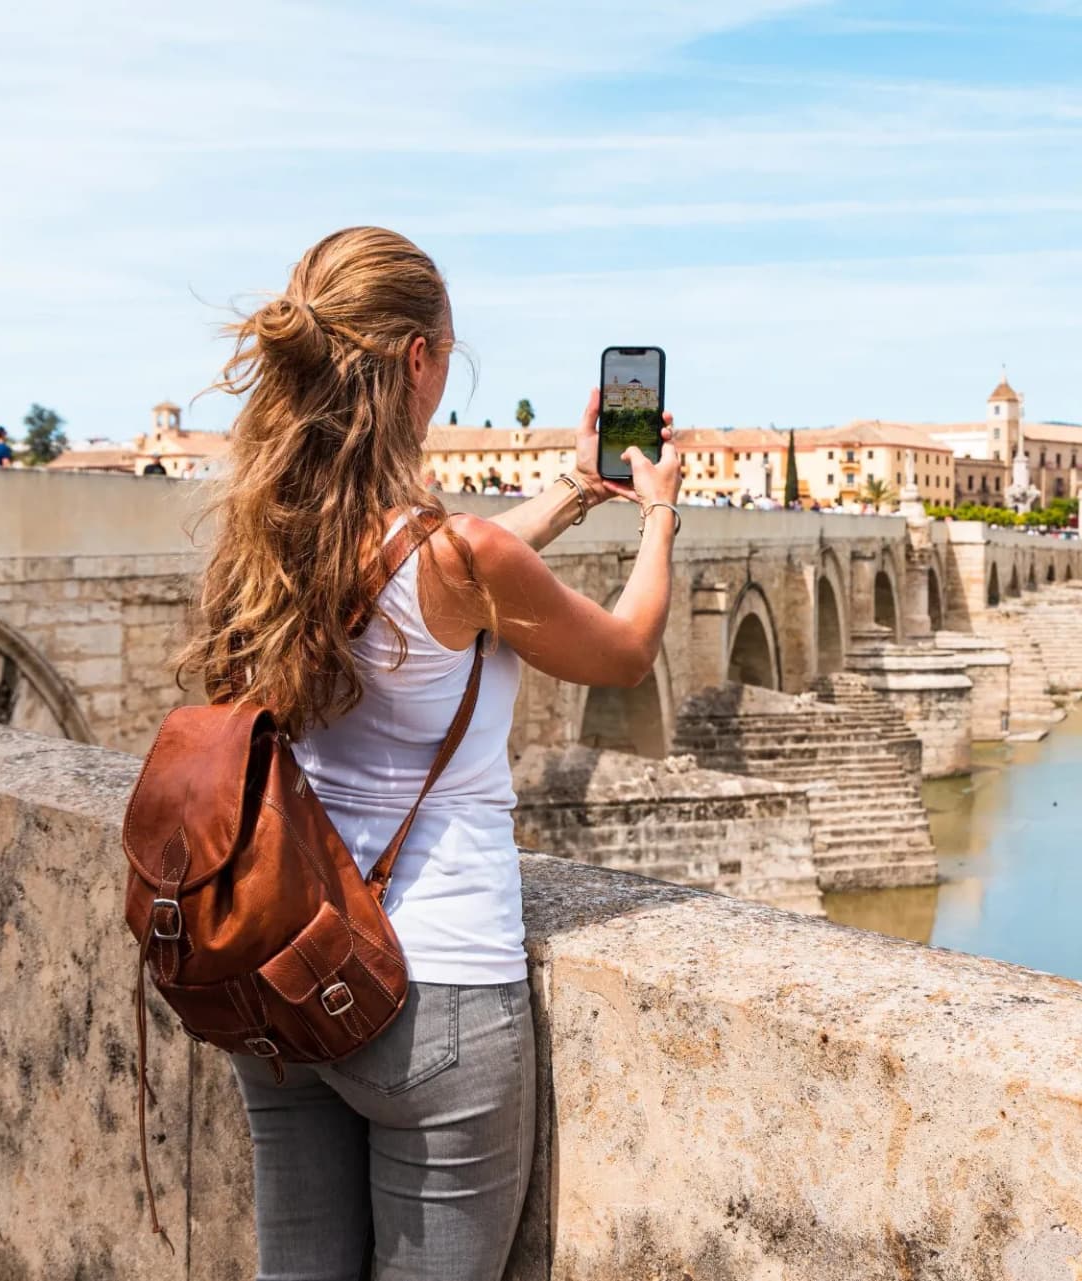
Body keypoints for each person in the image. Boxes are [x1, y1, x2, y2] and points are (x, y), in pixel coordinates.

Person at [175, 226, 680, 1280]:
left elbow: (432, 573)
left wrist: (577, 489)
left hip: (281, 961)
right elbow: (626, 653)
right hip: (436, 990)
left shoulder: (264, 535)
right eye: (448, 353)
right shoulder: (459, 556)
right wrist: (661, 516)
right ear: (416, 359)